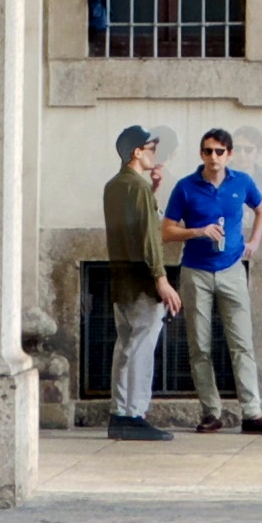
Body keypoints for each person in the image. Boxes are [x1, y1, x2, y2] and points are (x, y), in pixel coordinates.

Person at [169, 127, 262, 435]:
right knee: (200, 346)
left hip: (232, 270)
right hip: (195, 272)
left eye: (219, 151)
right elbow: (166, 231)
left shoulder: (241, 182)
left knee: (241, 343)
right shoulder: (186, 187)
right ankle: (210, 412)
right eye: (207, 151)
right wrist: (198, 231)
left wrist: (254, 241)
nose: (213, 157)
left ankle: (252, 413)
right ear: (201, 154)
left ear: (228, 154)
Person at [100, 124, 179, 441]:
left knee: (126, 346)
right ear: (137, 152)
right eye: (151, 149)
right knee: (141, 348)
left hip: (121, 276)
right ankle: (132, 414)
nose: (154, 154)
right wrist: (161, 279)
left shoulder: (115, 185)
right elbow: (147, 237)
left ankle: (121, 412)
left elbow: (133, 224)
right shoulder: (137, 188)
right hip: (142, 279)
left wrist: (152, 190)